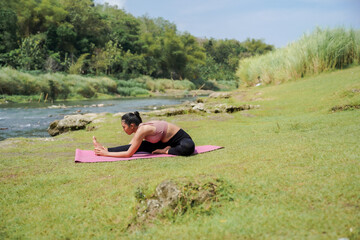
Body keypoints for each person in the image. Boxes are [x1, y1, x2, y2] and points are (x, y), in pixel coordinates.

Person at [93, 111, 195, 157]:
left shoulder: (143, 129)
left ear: (132, 125)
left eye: (124, 127)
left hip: (179, 139)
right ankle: (166, 149)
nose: (123, 129)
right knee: (141, 146)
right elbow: (130, 147)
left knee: (188, 147)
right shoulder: (138, 131)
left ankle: (166, 151)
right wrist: (106, 149)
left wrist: (106, 154)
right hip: (163, 143)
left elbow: (128, 154)